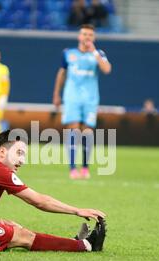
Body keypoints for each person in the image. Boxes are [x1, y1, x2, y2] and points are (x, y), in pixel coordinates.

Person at [0, 130, 107, 252]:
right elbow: (39, 201)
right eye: (18, 153)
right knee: (23, 236)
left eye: (24, 155)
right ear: (2, 152)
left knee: (8, 225)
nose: (22, 160)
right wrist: (77, 210)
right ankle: (85, 245)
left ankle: (72, 242)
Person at [52, 24, 112, 179]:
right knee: (74, 130)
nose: (87, 37)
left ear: (94, 38)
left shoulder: (99, 53)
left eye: (90, 35)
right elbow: (62, 73)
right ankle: (72, 168)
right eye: (84, 34)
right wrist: (56, 94)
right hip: (72, 97)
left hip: (90, 99)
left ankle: (85, 167)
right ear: (79, 36)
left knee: (87, 132)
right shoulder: (68, 53)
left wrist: (94, 52)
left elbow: (107, 69)